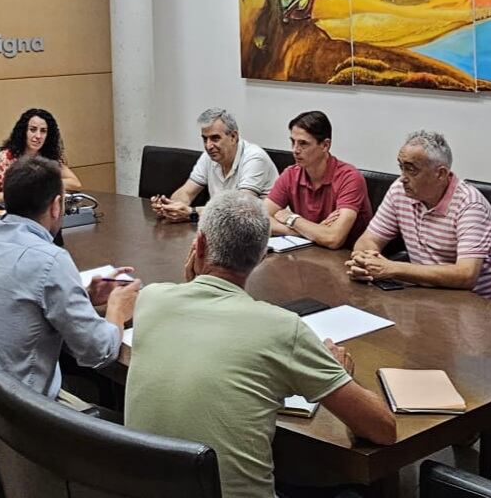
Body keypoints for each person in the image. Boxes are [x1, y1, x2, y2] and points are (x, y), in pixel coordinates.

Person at [125, 191, 395, 498]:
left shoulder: (151, 299)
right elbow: (383, 430)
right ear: (263, 254)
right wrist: (341, 373)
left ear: (198, 244)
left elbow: (202, 326)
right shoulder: (281, 328)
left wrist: (191, 286)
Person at [0, 156, 140, 443]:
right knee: (132, 432)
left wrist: (84, 296)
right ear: (57, 206)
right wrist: (117, 311)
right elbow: (97, 351)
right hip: (7, 437)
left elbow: (18, 307)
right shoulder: (49, 259)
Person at [346, 130, 491, 303]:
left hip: (489, 307)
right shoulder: (399, 192)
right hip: (432, 298)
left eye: (411, 169)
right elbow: (368, 240)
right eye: (401, 167)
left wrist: (392, 268)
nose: (402, 178)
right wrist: (365, 262)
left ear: (440, 174)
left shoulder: (470, 205)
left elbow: (466, 275)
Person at [264, 111, 372, 250]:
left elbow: (333, 239)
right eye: (293, 142)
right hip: (309, 252)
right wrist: (302, 232)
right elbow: (259, 219)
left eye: (303, 144)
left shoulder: (350, 178)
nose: (295, 150)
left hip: (346, 258)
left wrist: (292, 219)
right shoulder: (291, 174)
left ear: (325, 145)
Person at [150, 107, 278, 222]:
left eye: (215, 138)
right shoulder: (209, 156)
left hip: (261, 233)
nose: (208, 146)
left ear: (233, 137)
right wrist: (171, 206)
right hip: (223, 228)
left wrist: (192, 212)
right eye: (205, 139)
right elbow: (186, 192)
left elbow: (240, 207)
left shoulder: (255, 158)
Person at [0, 107, 82, 204]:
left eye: (43, 131)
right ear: (23, 132)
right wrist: (20, 196)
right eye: (33, 130)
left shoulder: (49, 156)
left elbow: (76, 184)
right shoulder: (7, 156)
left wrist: (44, 184)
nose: (38, 136)